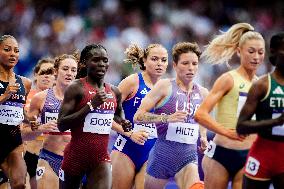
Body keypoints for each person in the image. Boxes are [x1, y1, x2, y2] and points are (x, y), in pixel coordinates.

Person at [194, 23, 265, 189]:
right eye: (251, 51)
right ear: (239, 51)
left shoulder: (261, 85)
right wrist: (227, 132)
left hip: (248, 155)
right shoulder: (228, 79)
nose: (256, 57)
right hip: (221, 154)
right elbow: (201, 114)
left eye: (260, 52)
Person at [134, 42, 208, 189]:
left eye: (194, 63)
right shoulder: (165, 86)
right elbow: (139, 116)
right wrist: (167, 118)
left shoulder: (203, 93)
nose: (191, 68)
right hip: (161, 158)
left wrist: (204, 136)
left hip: (189, 158)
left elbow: (202, 119)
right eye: (185, 63)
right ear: (175, 65)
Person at [57, 44, 132, 189]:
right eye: (96, 60)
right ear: (84, 63)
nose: (102, 64)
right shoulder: (76, 88)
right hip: (75, 158)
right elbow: (62, 124)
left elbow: (117, 114)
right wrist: (91, 105)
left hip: (101, 158)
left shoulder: (114, 91)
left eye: (105, 60)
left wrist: (123, 122)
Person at [111, 43, 168, 189]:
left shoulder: (168, 88)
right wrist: (129, 133)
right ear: (144, 60)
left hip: (153, 153)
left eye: (163, 60)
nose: (159, 64)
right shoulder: (132, 82)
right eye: (154, 59)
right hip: (126, 149)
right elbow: (104, 115)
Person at [236, 32, 284, 189]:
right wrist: (275, 122)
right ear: (274, 52)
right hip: (263, 153)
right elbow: (241, 126)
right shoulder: (262, 85)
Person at [26, 53, 78, 189]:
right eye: (65, 69)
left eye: (73, 70)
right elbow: (24, 133)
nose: (69, 73)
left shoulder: (83, 100)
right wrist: (42, 128)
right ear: (56, 71)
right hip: (49, 158)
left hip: (75, 161)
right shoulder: (40, 98)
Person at [0, 35, 32, 189]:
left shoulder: (25, 83)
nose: (13, 54)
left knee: (19, 183)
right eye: (7, 50)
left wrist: (29, 119)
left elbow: (19, 108)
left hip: (13, 138)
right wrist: (4, 96)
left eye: (16, 51)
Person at [22, 57, 55, 189]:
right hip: (25, 153)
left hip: (47, 155)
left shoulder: (60, 99)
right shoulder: (24, 95)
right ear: (36, 74)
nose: (47, 76)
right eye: (43, 72)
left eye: (51, 73)